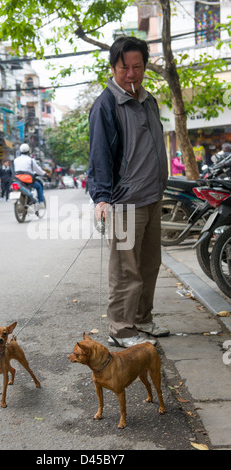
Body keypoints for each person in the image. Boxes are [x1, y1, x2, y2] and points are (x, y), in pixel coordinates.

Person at [88, 36, 169, 348]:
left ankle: (142, 319)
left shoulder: (149, 100)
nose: (132, 74)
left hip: (152, 196)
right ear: (113, 67)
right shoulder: (105, 104)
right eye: (125, 68)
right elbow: (98, 155)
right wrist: (101, 198)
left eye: (138, 67)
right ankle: (121, 328)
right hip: (123, 202)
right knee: (126, 270)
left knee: (149, 264)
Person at [13, 143, 46, 208]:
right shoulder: (31, 160)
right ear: (28, 151)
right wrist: (43, 173)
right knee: (39, 186)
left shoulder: (15, 160)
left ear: (20, 151)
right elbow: (38, 170)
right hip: (28, 180)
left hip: (18, 180)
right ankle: (41, 202)